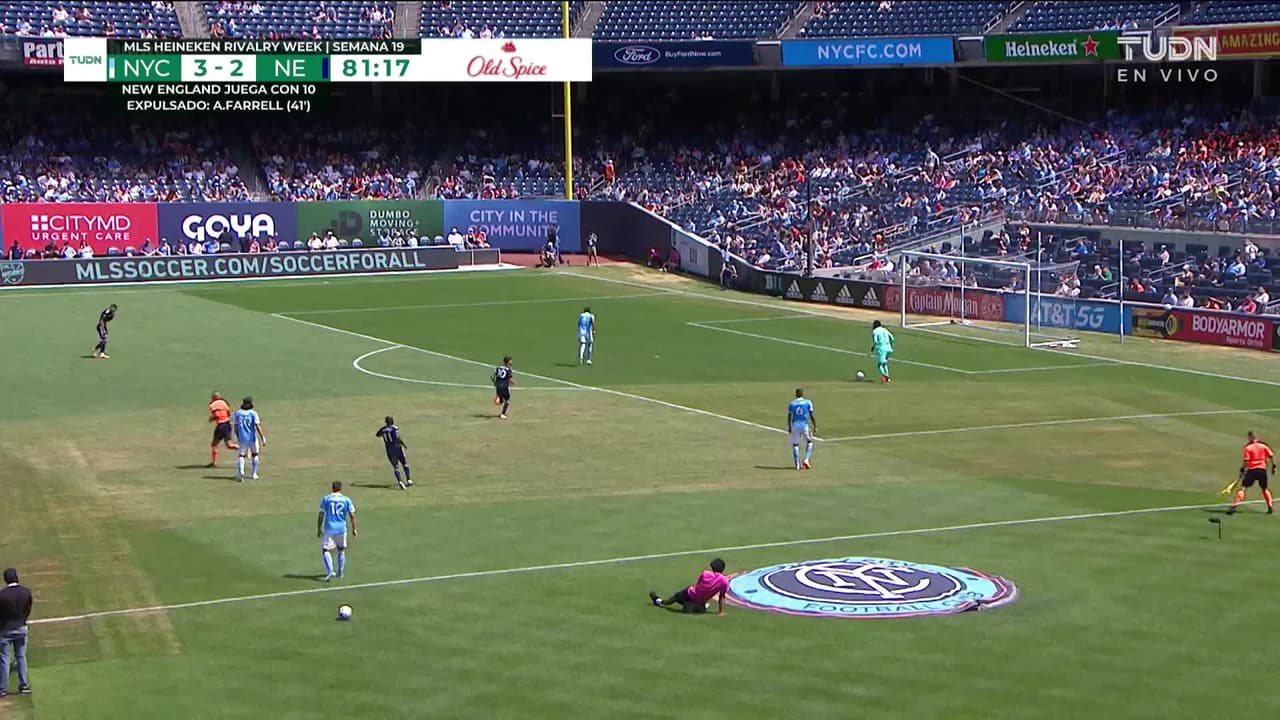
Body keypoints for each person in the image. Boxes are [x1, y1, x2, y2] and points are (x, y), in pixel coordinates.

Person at [648, 558, 730, 616]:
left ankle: (658, 601)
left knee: (674, 598)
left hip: (689, 594)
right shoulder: (724, 581)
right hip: (701, 600)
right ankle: (697, 606)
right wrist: (721, 612)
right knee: (699, 608)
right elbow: (721, 596)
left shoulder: (706, 573)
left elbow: (698, 586)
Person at [0, 568, 32, 698]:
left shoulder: (1, 595)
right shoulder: (26, 592)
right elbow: (28, 608)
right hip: (21, 627)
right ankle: (24, 686)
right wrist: (22, 620)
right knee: (21, 657)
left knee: (4, 659)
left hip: (5, 630)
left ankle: (2, 689)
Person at [1228, 431, 1276, 515]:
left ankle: (1234, 506)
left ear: (1250, 437)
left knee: (1243, 488)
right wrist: (1273, 467)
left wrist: (1242, 469)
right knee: (1264, 489)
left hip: (1252, 470)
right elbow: (1271, 456)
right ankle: (1270, 507)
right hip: (1262, 470)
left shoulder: (1248, 448)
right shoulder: (1263, 446)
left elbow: (1246, 461)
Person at [317, 481, 357, 582]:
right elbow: (352, 515)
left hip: (329, 528)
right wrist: (354, 529)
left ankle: (330, 571)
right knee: (341, 550)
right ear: (340, 488)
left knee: (325, 550)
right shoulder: (346, 499)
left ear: (332, 488)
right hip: (341, 528)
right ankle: (340, 572)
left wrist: (318, 528)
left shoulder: (326, 499)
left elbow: (321, 514)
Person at [375, 416, 413, 490]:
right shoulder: (394, 428)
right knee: (404, 463)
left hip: (389, 450)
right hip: (397, 448)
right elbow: (397, 438)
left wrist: (384, 427)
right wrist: (403, 444)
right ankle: (408, 479)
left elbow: (377, 434)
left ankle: (400, 481)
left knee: (396, 467)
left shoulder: (383, 430)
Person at [233, 397, 265, 481]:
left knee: (241, 455)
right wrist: (262, 437)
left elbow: (235, 427)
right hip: (252, 438)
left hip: (242, 438)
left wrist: (238, 436)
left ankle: (241, 472)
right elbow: (257, 426)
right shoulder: (253, 413)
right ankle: (254, 473)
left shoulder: (238, 413)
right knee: (255, 454)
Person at [787, 388, 816, 470]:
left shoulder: (792, 403)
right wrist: (815, 425)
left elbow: (789, 416)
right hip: (804, 426)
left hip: (795, 425)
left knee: (795, 444)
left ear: (796, 394)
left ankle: (797, 465)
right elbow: (811, 415)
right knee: (809, 442)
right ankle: (806, 459)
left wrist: (789, 427)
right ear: (803, 394)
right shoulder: (808, 402)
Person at [207, 392, 237, 468]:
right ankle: (243, 449)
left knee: (214, 444)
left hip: (221, 425)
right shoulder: (224, 403)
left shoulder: (212, 405)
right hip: (227, 424)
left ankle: (214, 463)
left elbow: (217, 415)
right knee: (229, 445)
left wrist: (212, 419)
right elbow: (228, 413)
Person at [871, 320, 895, 384]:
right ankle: (888, 378)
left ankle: (885, 377)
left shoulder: (875, 331)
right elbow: (892, 338)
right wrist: (892, 346)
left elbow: (876, 341)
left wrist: (873, 347)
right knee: (884, 364)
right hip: (889, 348)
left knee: (880, 365)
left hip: (881, 349)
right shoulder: (884, 329)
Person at [492, 356, 514, 420]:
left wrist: (495, 383)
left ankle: (499, 398)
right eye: (510, 363)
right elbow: (510, 379)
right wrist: (513, 383)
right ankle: (503, 414)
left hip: (498, 386)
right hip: (504, 387)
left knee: (502, 399)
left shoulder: (498, 368)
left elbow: (493, 376)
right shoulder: (508, 370)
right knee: (507, 401)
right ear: (507, 363)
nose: (511, 365)